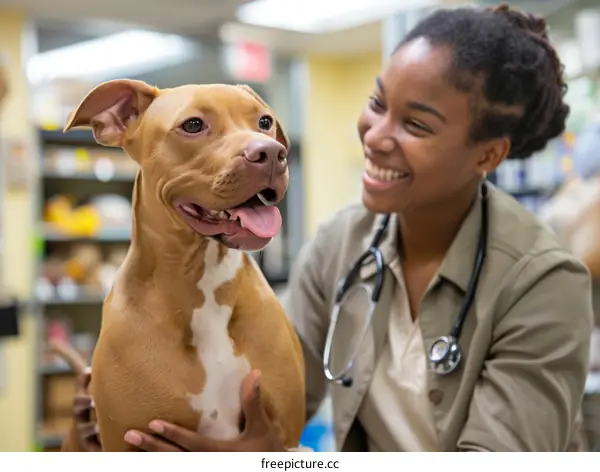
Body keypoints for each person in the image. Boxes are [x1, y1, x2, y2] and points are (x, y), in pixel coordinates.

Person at [70, 3, 594, 452]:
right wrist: (117, 402)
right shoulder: (343, 242)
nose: (377, 136)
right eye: (377, 104)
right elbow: (277, 388)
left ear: (489, 154)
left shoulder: (545, 283)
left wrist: (287, 459)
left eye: (416, 124)